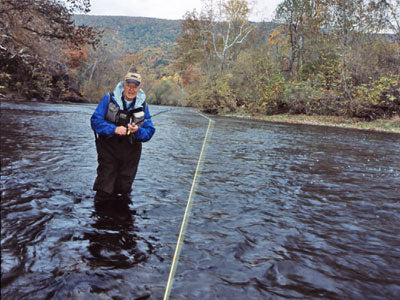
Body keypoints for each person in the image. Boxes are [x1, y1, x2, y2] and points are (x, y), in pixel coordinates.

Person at [91, 72, 155, 202]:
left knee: (123, 190)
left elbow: (149, 131)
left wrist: (137, 131)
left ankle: (120, 218)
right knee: (104, 187)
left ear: (139, 88)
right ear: (123, 85)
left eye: (135, 86)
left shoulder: (143, 105)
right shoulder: (108, 99)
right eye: (128, 85)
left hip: (131, 151)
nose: (131, 89)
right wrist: (114, 129)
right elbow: (95, 121)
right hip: (108, 149)